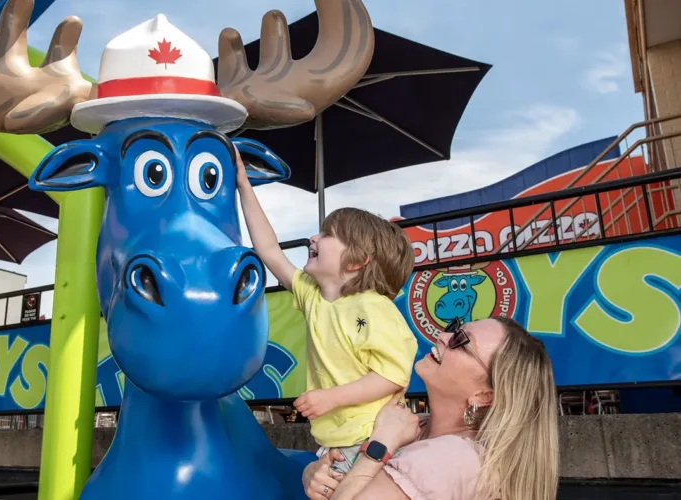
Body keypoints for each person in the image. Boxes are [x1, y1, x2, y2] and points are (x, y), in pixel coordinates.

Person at [235, 148, 418, 473]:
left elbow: (392, 375)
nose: (313, 236)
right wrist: (243, 186)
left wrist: (331, 398)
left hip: (373, 441)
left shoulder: (374, 307)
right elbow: (269, 251)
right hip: (335, 444)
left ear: (358, 260)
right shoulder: (314, 296)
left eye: (328, 234)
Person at [302, 317, 559, 500]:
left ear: (483, 395)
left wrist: (379, 447)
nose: (443, 335)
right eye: (456, 327)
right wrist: (315, 476)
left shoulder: (450, 457)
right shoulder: (418, 429)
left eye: (462, 341)